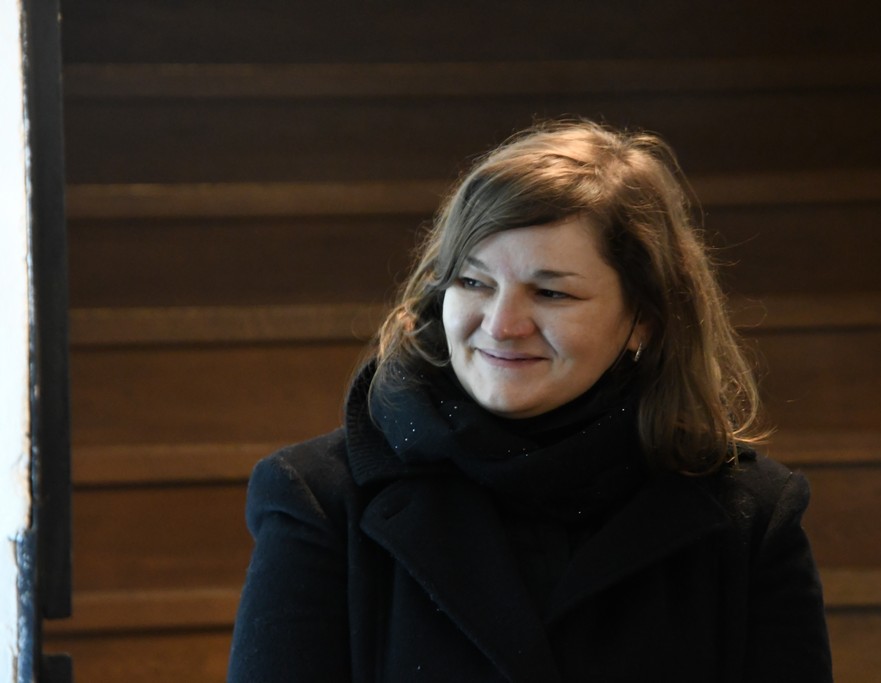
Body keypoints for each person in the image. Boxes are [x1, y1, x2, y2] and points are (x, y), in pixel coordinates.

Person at [226, 120, 833, 682]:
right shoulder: (319, 498)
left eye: (550, 293)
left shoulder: (752, 514)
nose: (501, 324)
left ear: (644, 319)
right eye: (473, 282)